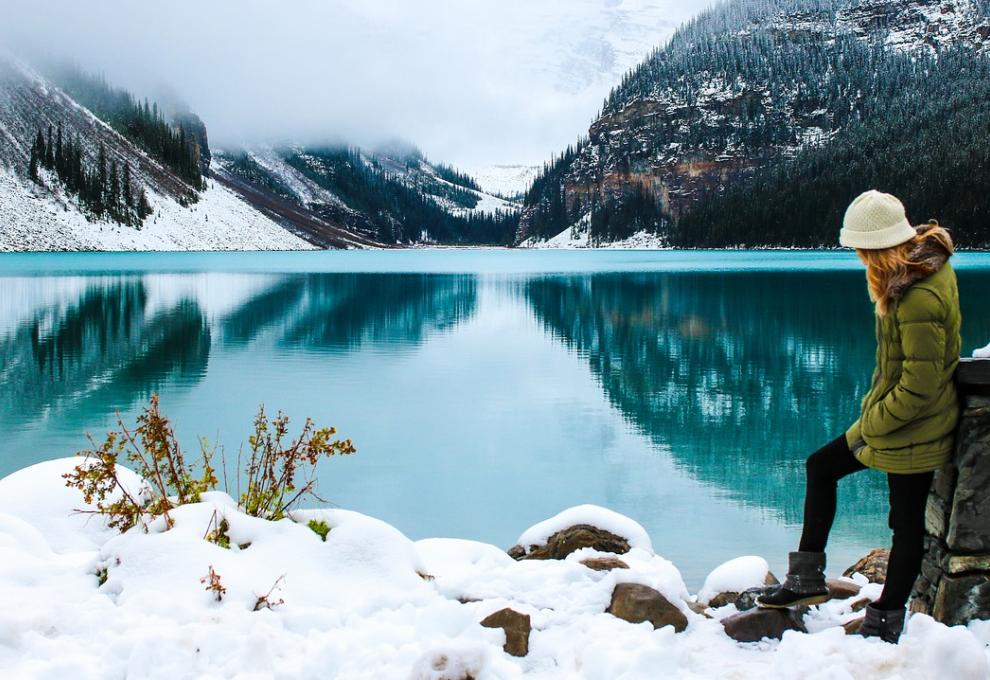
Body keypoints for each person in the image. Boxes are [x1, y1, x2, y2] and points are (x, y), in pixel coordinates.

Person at [757, 190, 961, 643]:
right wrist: (874, 417)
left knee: (905, 525)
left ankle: (886, 619)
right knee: (821, 465)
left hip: (916, 426)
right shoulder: (911, 275)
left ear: (880, 245)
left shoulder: (919, 296)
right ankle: (806, 579)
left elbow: (920, 386)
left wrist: (873, 423)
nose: (857, 257)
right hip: (894, 420)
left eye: (861, 249)